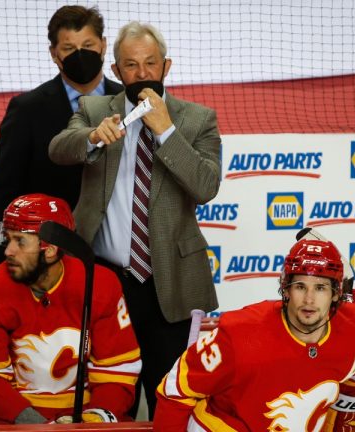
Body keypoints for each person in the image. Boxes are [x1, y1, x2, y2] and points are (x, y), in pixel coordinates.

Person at [49, 21, 221, 418]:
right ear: (116, 70)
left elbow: (206, 186)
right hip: (106, 281)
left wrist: (166, 133)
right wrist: (92, 138)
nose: (142, 74)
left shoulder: (197, 119)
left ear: (167, 66)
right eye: (131, 65)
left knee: (172, 400)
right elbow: (59, 149)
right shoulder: (94, 109)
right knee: (107, 399)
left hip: (172, 284)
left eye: (150, 63)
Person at [154, 239, 355, 431]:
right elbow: (174, 389)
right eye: (300, 287)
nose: (309, 300)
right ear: (285, 289)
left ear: (336, 294)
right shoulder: (239, 334)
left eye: (321, 288)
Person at [0, 193, 141, 424]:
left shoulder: (100, 285)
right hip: (10, 419)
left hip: (82, 416)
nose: (8, 251)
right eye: (8, 239)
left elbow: (118, 371)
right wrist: (39, 425)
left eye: (20, 241)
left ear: (50, 249)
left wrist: (94, 418)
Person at [0, 5, 123, 265]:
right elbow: (4, 194)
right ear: (53, 53)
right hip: (48, 257)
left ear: (104, 45)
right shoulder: (27, 110)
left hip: (119, 259)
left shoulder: (128, 102)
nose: (80, 55)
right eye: (69, 49)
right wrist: (8, 261)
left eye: (88, 44)